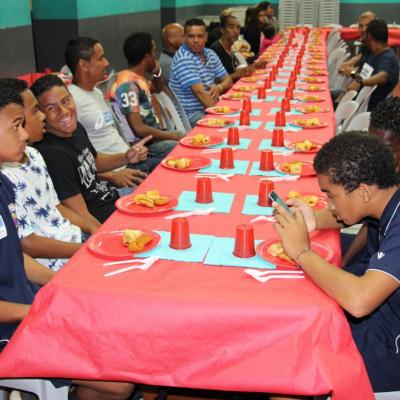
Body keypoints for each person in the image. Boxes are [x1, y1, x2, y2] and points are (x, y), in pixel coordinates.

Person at [0, 84, 135, 400]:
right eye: (15, 126)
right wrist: (35, 309)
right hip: (11, 322)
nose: (24, 134)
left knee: (118, 326)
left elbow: (15, 259)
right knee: (119, 383)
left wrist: (62, 284)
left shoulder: (3, 184)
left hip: (28, 300)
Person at [273, 132, 400, 398]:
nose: (329, 205)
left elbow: (359, 300)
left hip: (389, 348)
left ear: (363, 191)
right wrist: (315, 222)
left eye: (331, 196)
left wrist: (302, 252)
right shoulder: (387, 196)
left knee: (287, 364)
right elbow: (348, 215)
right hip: (379, 318)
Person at [0, 78, 99, 271]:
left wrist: (92, 228)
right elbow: (27, 244)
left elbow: (56, 206)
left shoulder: (35, 155)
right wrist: (84, 249)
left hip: (75, 239)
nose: (43, 116)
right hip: (57, 260)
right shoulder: (8, 178)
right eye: (36, 111)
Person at [30, 74, 144, 224]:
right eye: (51, 108)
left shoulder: (74, 128)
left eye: (66, 101)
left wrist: (126, 157)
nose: (64, 111)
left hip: (111, 196)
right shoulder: (53, 155)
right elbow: (81, 215)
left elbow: (94, 161)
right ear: (40, 114)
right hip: (103, 218)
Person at [66, 37, 159, 194]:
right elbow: (74, 159)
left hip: (130, 162)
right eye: (101, 58)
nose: (107, 63)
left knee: (173, 171)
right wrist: (110, 176)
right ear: (84, 64)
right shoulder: (71, 101)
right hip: (116, 174)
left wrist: (130, 153)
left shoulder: (96, 92)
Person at [111, 32, 181, 158]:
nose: (156, 56)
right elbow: (138, 129)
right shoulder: (127, 85)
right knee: (186, 145)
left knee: (191, 138)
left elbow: (158, 88)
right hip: (147, 147)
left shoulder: (137, 78)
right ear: (147, 56)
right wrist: (173, 136)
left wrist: (157, 73)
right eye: (154, 52)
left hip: (155, 138)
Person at [170, 18, 232, 126]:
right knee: (229, 124)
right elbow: (200, 94)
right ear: (184, 38)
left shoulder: (210, 53)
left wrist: (219, 87)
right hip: (192, 115)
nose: (196, 40)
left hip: (207, 107)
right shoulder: (183, 58)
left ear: (206, 37)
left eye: (200, 36)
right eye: (191, 36)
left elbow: (228, 80)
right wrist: (221, 115)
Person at [344, 19, 399, 110]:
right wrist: (354, 74)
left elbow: (382, 77)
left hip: (370, 111)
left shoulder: (388, 58)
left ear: (369, 36)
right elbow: (361, 75)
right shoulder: (371, 53)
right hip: (356, 102)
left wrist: (357, 79)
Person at [210, 14, 255, 82]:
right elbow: (214, 80)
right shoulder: (215, 50)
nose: (236, 31)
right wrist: (237, 74)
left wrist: (254, 66)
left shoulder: (235, 48)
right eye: (231, 27)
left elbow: (241, 68)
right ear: (222, 30)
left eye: (238, 28)